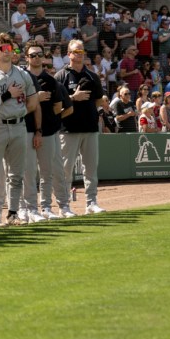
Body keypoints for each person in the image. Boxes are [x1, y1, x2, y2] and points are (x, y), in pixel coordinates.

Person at [53, 39, 107, 217]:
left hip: (90, 127)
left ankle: (91, 203)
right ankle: (64, 206)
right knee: (65, 170)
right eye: (76, 52)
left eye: (81, 52)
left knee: (90, 169)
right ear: (68, 54)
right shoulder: (60, 76)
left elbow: (99, 99)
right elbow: (55, 104)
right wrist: (73, 97)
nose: (79, 55)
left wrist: (101, 108)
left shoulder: (92, 76)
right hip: (68, 129)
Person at [0, 33, 38, 226]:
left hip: (18, 125)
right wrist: (6, 97)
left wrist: (20, 112)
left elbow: (33, 100)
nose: (8, 52)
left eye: (11, 48)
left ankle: (12, 213)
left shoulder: (22, 74)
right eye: (3, 49)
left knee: (16, 174)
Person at [23, 43, 70, 221]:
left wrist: (46, 126)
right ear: (26, 57)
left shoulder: (51, 81)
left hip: (49, 132)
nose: (36, 58)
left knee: (47, 172)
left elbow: (58, 107)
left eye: (39, 55)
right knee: (28, 172)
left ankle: (47, 207)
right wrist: (35, 99)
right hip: (26, 129)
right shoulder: (22, 77)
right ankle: (30, 208)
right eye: (32, 55)